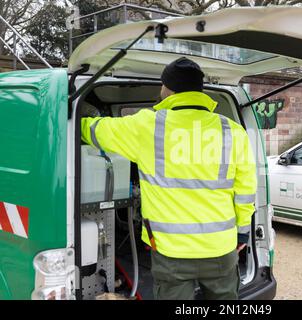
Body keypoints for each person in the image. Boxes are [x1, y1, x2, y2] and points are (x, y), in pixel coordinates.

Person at [81, 57, 257, 300]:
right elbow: (246, 189)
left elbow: (94, 130)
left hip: (171, 251)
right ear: (199, 90)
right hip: (221, 249)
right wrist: (243, 232)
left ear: (168, 88)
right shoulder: (233, 132)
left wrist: (76, 117)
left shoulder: (147, 126)